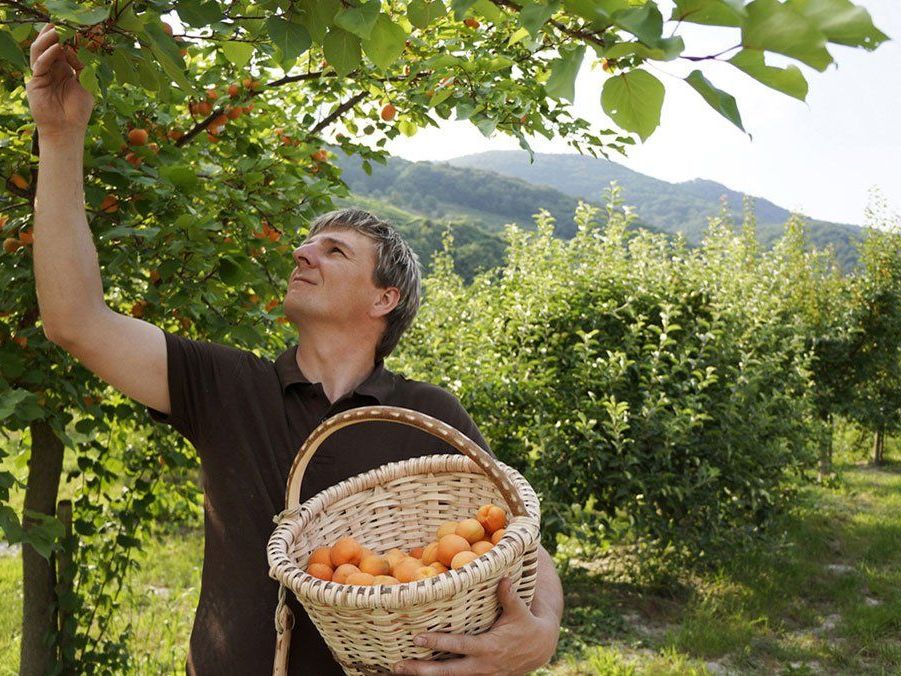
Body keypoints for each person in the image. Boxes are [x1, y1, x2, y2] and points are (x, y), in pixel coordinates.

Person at [27, 22, 564, 675]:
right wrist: (60, 136)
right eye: (307, 243)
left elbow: (523, 546)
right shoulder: (226, 384)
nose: (302, 252)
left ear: (383, 299)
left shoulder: (427, 414)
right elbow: (74, 320)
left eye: (334, 251)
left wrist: (539, 636)